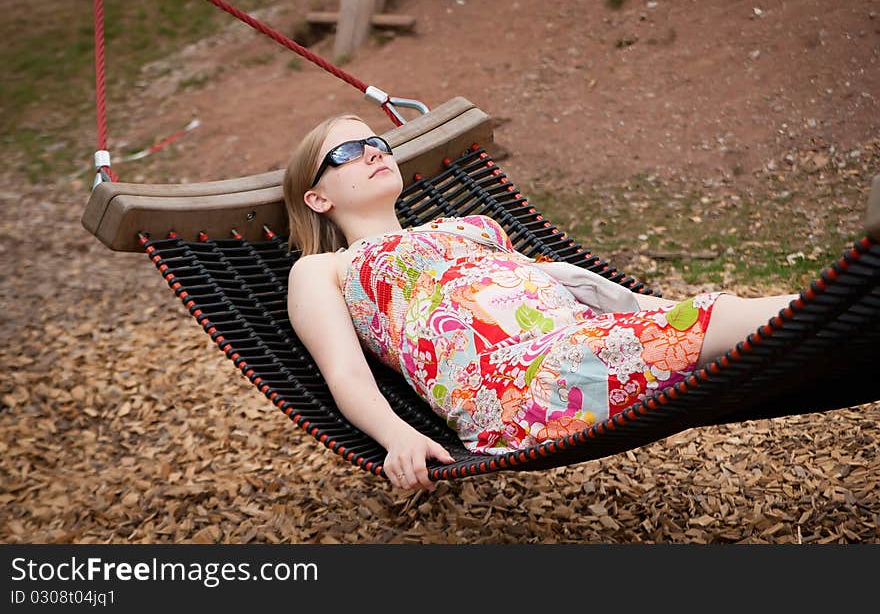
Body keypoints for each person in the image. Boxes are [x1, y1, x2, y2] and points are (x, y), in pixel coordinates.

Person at [283, 114, 799, 492]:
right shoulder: (322, 269)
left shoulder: (463, 228)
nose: (374, 152)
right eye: (348, 153)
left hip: (579, 341)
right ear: (317, 198)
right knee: (720, 318)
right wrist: (398, 436)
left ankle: (836, 318)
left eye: (375, 141)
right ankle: (834, 308)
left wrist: (646, 306)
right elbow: (345, 374)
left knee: (715, 317)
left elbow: (542, 288)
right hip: (519, 385)